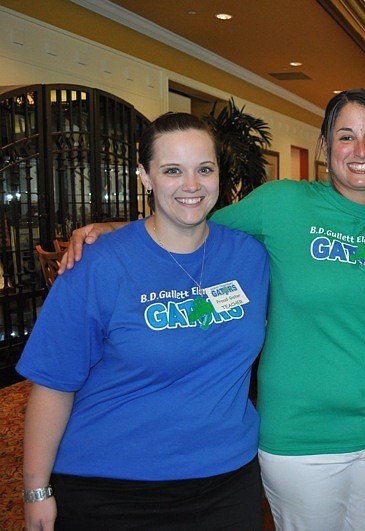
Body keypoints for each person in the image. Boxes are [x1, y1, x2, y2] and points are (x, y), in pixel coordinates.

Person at [59, 89, 365, 531]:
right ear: (324, 146)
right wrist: (117, 229)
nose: (361, 150)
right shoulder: (282, 203)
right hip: (302, 436)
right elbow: (189, 223)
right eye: (346, 136)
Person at [17, 112, 270, 530]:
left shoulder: (250, 257)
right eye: (172, 170)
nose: (191, 185)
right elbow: (53, 384)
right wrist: (36, 490)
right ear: (145, 176)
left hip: (227, 481)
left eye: (204, 169)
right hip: (112, 488)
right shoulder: (96, 264)